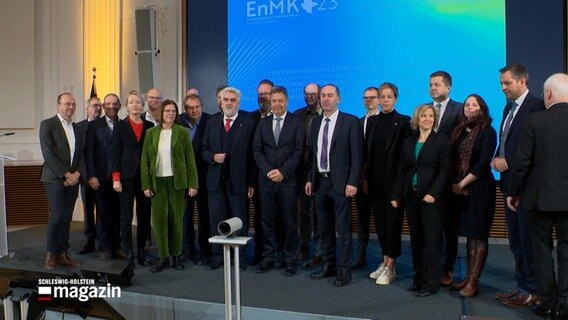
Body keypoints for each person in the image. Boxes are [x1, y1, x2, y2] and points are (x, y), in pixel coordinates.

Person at [507, 73, 568, 319]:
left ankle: (548, 301)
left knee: (541, 251)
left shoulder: (535, 120)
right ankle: (566, 301)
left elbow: (521, 163)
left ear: (549, 94)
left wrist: (512, 192)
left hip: (537, 200)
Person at [492, 64, 544, 308]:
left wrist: (508, 162)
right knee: (515, 241)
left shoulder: (536, 106)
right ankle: (522, 286)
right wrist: (496, 156)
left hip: (526, 186)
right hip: (508, 185)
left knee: (528, 241)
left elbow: (537, 148)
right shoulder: (507, 108)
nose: (503, 88)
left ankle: (533, 289)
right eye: (501, 83)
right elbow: (506, 140)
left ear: (523, 81)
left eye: (507, 83)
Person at [305, 84, 363, 287]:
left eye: (330, 95)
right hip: (321, 183)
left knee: (344, 229)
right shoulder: (315, 122)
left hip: (341, 184)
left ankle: (344, 269)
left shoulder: (350, 121)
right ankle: (328, 265)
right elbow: (313, 155)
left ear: (338, 99)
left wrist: (353, 181)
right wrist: (310, 179)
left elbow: (357, 156)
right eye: (323, 96)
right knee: (324, 228)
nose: (326, 99)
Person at [391, 104, 450, 297]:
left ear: (434, 119)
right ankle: (418, 278)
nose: (427, 119)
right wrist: (396, 195)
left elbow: (444, 171)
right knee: (416, 240)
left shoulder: (441, 141)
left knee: (431, 241)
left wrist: (433, 193)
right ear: (417, 119)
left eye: (430, 116)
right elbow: (402, 170)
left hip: (432, 198)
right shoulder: (409, 142)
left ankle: (430, 283)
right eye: (423, 116)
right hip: (411, 196)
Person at [201, 87, 257, 270]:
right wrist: (212, 157)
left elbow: (252, 156)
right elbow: (203, 150)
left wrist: (251, 182)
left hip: (239, 182)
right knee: (216, 220)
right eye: (226, 99)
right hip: (215, 182)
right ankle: (218, 257)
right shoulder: (211, 122)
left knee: (239, 221)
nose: (229, 103)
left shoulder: (247, 123)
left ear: (238, 103)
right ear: (220, 101)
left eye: (233, 100)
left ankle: (239, 258)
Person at [141, 100, 198, 272]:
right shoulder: (151, 133)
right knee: (159, 222)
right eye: (167, 111)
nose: (171, 114)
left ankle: (176, 256)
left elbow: (190, 159)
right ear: (161, 113)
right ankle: (163, 257)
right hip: (157, 183)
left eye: (173, 111)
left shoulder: (182, 132)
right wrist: (146, 184)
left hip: (177, 183)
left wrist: (193, 183)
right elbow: (145, 161)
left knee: (176, 221)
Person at [252, 86, 305, 276]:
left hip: (287, 181)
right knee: (268, 221)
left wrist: (282, 171)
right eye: (274, 101)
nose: (277, 104)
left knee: (289, 222)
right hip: (266, 181)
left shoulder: (296, 122)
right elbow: (257, 150)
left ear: (287, 101)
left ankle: (289, 259)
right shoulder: (263, 123)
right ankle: (269, 257)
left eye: (280, 100)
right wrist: (268, 171)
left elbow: (298, 151)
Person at [449, 94, 497, 298]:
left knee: (479, 234)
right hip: (461, 190)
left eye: (474, 104)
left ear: (482, 108)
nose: (469, 107)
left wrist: (462, 183)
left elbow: (482, 163)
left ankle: (474, 282)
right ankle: (468, 277)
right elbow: (453, 158)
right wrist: (455, 182)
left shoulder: (488, 131)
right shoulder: (459, 130)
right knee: (469, 233)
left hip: (479, 188)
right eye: (467, 105)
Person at [365, 82, 412, 285]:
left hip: (394, 184)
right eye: (382, 96)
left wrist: (399, 188)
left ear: (396, 99)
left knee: (392, 225)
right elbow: (369, 154)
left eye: (389, 96)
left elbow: (405, 158)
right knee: (381, 225)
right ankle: (385, 262)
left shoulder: (404, 122)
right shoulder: (373, 121)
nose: (385, 100)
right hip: (375, 182)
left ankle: (391, 267)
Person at [40, 92, 85, 270]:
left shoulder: (77, 128)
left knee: (67, 217)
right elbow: (48, 153)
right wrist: (66, 174)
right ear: (58, 105)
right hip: (54, 178)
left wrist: (77, 174)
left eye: (73, 104)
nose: (71, 107)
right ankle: (51, 255)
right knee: (57, 216)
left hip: (73, 179)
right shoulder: (48, 124)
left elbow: (81, 154)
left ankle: (63, 254)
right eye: (67, 104)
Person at [112, 90, 154, 267]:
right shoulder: (120, 126)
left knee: (144, 216)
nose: (135, 105)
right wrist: (116, 178)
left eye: (138, 102)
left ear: (142, 105)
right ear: (126, 106)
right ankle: (128, 251)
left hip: (144, 178)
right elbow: (115, 153)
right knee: (126, 216)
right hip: (126, 177)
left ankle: (141, 251)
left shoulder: (150, 126)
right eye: (131, 102)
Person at [428, 70, 462, 286]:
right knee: (432, 226)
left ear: (448, 87)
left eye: (437, 84)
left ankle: (447, 267)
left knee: (450, 227)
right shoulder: (424, 110)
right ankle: (432, 264)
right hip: (428, 180)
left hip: (450, 179)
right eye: (431, 84)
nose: (433, 88)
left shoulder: (459, 109)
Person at [85, 93, 124, 260]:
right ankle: (104, 247)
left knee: (118, 213)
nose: (111, 106)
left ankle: (116, 246)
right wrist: (91, 175)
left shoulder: (123, 125)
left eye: (115, 103)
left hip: (119, 179)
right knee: (102, 214)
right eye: (107, 104)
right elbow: (89, 152)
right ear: (103, 106)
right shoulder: (94, 126)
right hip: (100, 178)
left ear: (119, 106)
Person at [178, 94, 212, 266]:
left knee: (205, 217)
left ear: (202, 106)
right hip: (184, 179)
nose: (194, 110)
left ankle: (205, 251)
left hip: (205, 177)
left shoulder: (210, 121)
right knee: (186, 217)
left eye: (197, 106)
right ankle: (187, 250)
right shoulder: (178, 122)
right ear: (185, 109)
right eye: (190, 107)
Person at [294, 83, 322, 266]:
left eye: (313, 94)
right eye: (307, 94)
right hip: (300, 171)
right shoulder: (297, 115)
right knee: (303, 212)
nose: (310, 97)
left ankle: (321, 251)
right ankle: (304, 246)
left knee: (320, 213)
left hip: (321, 171)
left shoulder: (327, 115)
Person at [248, 79, 275, 265]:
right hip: (257, 178)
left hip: (280, 177)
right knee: (259, 218)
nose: (262, 97)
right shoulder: (250, 119)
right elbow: (250, 152)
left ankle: (279, 252)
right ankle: (260, 252)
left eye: (266, 93)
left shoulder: (287, 118)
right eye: (260, 94)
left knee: (279, 218)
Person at [353, 86, 380, 269]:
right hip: (360, 181)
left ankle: (385, 259)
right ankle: (361, 256)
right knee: (362, 221)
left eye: (372, 97)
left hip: (379, 182)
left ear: (379, 100)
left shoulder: (385, 121)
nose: (368, 100)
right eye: (365, 97)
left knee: (380, 222)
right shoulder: (357, 122)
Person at [76, 97, 102, 254]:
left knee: (103, 210)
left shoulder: (105, 125)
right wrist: (86, 176)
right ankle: (89, 240)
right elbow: (79, 153)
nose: (98, 108)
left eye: (100, 106)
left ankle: (103, 239)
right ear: (87, 109)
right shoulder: (79, 127)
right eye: (94, 106)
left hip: (103, 177)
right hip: (86, 177)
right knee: (88, 208)